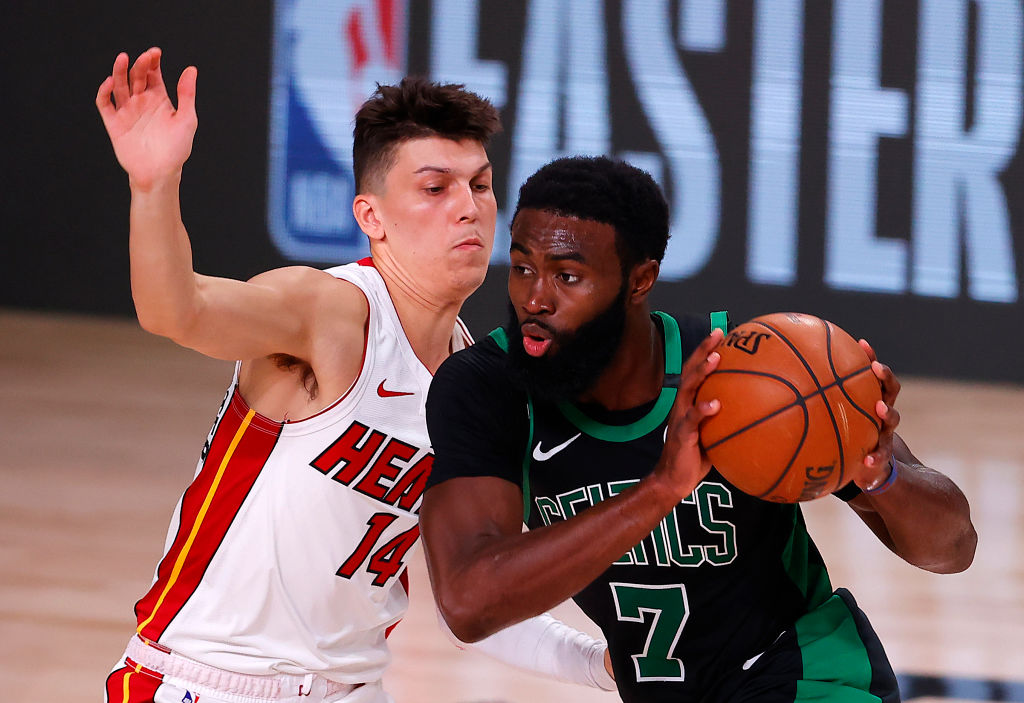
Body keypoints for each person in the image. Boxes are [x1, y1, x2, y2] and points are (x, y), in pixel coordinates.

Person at [95, 49, 614, 703]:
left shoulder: (477, 384)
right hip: (208, 680)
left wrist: (602, 665)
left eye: (479, 184)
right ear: (371, 217)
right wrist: (154, 187)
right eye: (436, 187)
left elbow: (475, 601)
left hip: (354, 688)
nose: (468, 207)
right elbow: (177, 309)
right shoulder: (331, 314)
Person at [420, 156, 978, 703]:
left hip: (804, 671)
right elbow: (468, 604)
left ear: (639, 281)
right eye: (522, 267)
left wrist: (884, 476)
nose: (535, 299)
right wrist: (662, 487)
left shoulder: (746, 374)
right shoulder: (487, 388)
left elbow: (952, 549)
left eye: (568, 276)